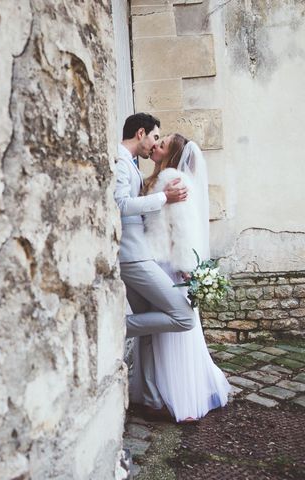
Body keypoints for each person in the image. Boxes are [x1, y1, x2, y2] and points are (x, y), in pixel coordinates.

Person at [129, 134, 230, 422]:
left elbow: (181, 228)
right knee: (164, 333)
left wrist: (187, 266)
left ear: (172, 155)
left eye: (162, 144)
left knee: (174, 331)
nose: (156, 146)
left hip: (169, 265)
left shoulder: (172, 179)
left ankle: (180, 397)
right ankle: (160, 392)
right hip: (157, 262)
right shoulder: (154, 179)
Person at [115, 113, 197, 420]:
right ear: (141, 133)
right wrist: (164, 198)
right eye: (154, 137)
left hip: (140, 253)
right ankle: (115, 328)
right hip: (132, 257)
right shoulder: (121, 162)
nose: (154, 144)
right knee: (182, 316)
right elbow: (120, 204)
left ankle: (150, 400)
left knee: (147, 331)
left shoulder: (131, 163)